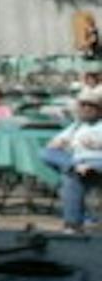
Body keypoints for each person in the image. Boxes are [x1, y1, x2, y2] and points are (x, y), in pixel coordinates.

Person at [42, 96, 102, 236]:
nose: (86, 109)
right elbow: (54, 143)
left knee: (69, 177)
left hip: (98, 162)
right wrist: (58, 142)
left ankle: (72, 224)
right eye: (83, 106)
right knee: (46, 153)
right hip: (78, 163)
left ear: (100, 110)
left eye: (91, 106)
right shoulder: (77, 125)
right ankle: (74, 167)